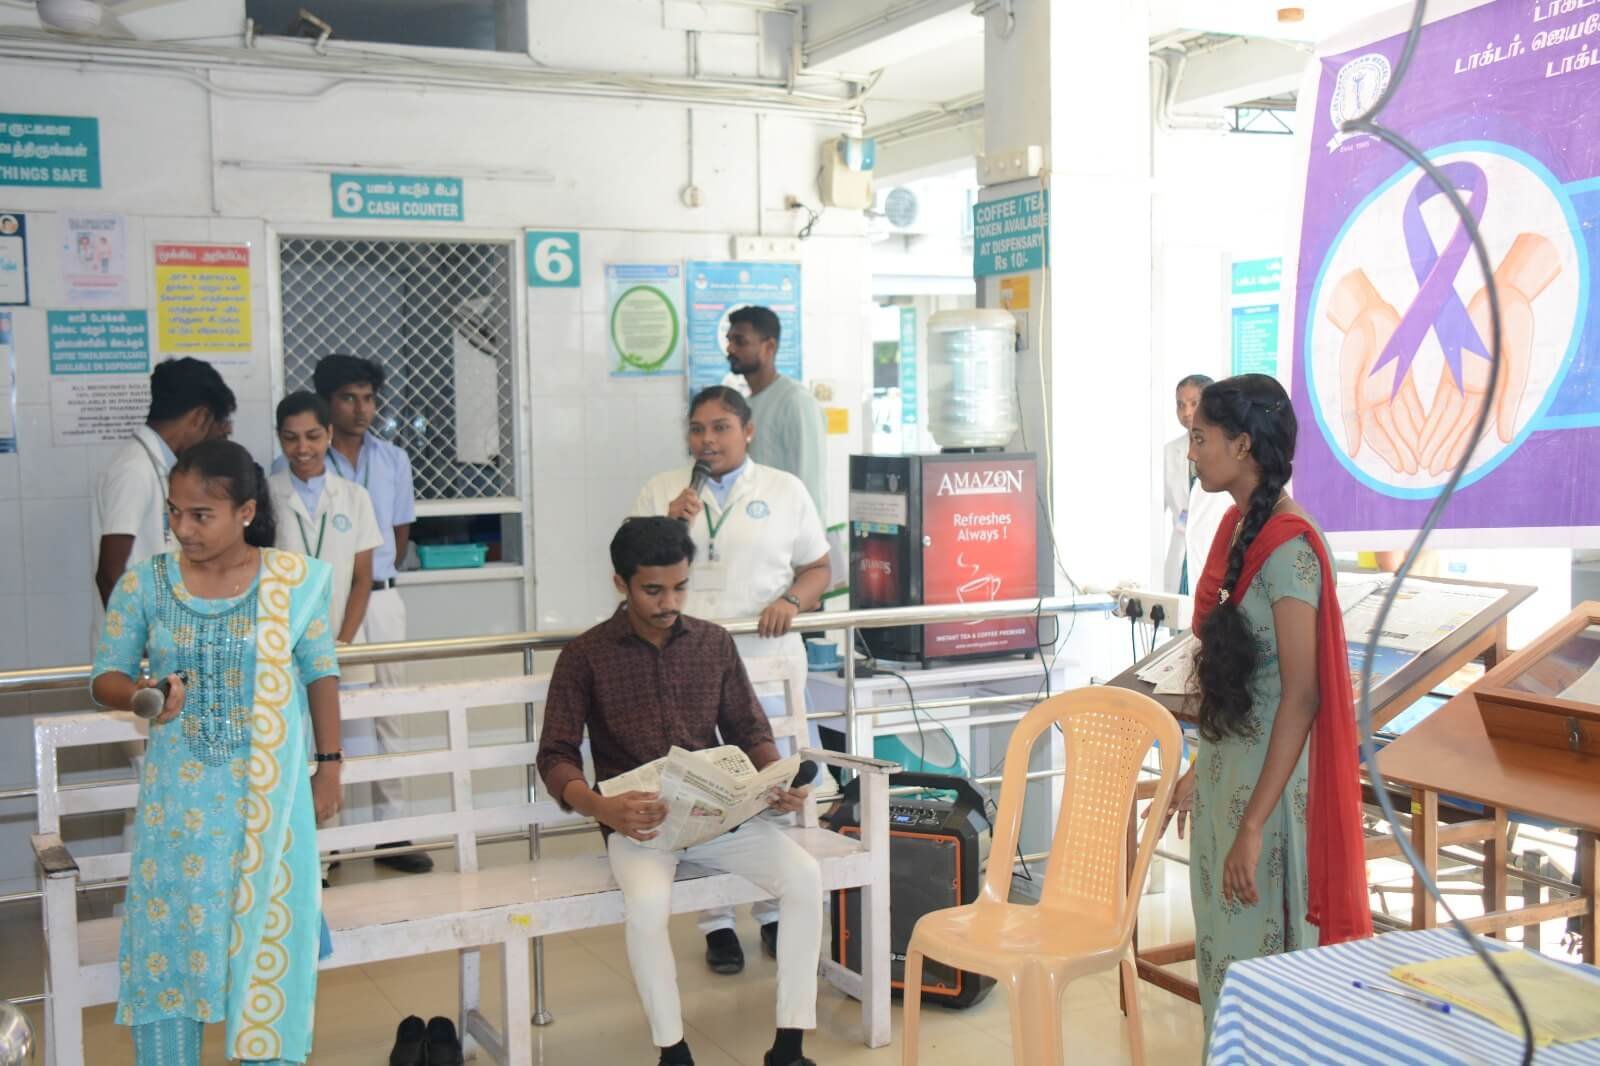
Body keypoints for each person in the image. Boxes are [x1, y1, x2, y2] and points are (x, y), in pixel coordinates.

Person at [91, 441, 343, 1066]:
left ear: (246, 512)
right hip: (178, 813)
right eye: (175, 512)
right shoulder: (145, 583)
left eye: (201, 514)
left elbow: (320, 672)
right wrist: (143, 694)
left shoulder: (292, 582)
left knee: (268, 946)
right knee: (170, 945)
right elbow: (104, 676)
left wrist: (330, 766)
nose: (183, 528)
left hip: (269, 805)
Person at [536, 517, 821, 1066]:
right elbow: (554, 755)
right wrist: (602, 808)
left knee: (805, 878)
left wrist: (774, 780)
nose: (670, 602)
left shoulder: (712, 643)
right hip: (640, 826)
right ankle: (673, 1052)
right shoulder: (585, 656)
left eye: (680, 587)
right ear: (620, 583)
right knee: (646, 909)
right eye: (653, 590)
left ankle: (788, 1048)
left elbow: (749, 729)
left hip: (720, 816)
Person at [1156, 374, 1371, 1034]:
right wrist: (1202, 767)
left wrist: (1252, 826)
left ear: (1243, 445)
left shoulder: (1291, 547)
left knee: (1264, 978)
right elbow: (1240, 681)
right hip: (1227, 782)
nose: (1192, 453)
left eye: (1201, 439)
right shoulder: (1235, 528)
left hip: (1269, 801)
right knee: (1223, 965)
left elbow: (1300, 696)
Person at [632, 386, 831, 976]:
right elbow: (633, 570)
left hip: (765, 659)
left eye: (721, 427)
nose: (707, 440)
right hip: (684, 663)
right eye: (697, 429)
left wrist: (792, 601)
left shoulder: (784, 489)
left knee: (771, 785)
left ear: (748, 431)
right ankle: (716, 922)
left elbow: (819, 567)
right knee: (700, 791)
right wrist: (666, 525)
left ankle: (772, 911)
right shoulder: (662, 490)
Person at [276, 354, 429, 873]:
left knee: (390, 715)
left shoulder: (393, 459)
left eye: (368, 399)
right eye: (349, 398)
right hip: (314, 608)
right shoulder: (289, 468)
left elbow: (399, 534)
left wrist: (371, 583)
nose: (362, 409)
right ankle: (329, 841)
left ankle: (393, 834)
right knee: (320, 719)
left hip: (378, 598)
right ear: (327, 406)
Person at [269, 392, 384, 858]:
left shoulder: (354, 498)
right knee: (293, 753)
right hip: (285, 650)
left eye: (313, 436)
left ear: (330, 435)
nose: (303, 448)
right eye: (291, 438)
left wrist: (342, 641)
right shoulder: (265, 496)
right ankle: (306, 860)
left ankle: (344, 854)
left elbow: (362, 578)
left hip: (342, 646)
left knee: (347, 752)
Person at [93, 357, 236, 609]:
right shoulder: (134, 468)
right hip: (137, 631)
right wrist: (133, 632)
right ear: (200, 417)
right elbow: (109, 572)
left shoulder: (162, 466)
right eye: (215, 429)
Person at [726, 305, 827, 520]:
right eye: (730, 340)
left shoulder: (795, 400)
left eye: (740, 341)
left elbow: (809, 482)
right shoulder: (746, 405)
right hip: (757, 525)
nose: (730, 349)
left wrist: (808, 537)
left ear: (769, 347)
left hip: (790, 531)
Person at [1162, 374, 1212, 594]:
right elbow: (1156, 508)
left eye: (1194, 403)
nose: (1187, 412)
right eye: (1180, 405)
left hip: (1211, 550)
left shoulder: (1226, 450)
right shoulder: (1168, 452)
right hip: (1179, 552)